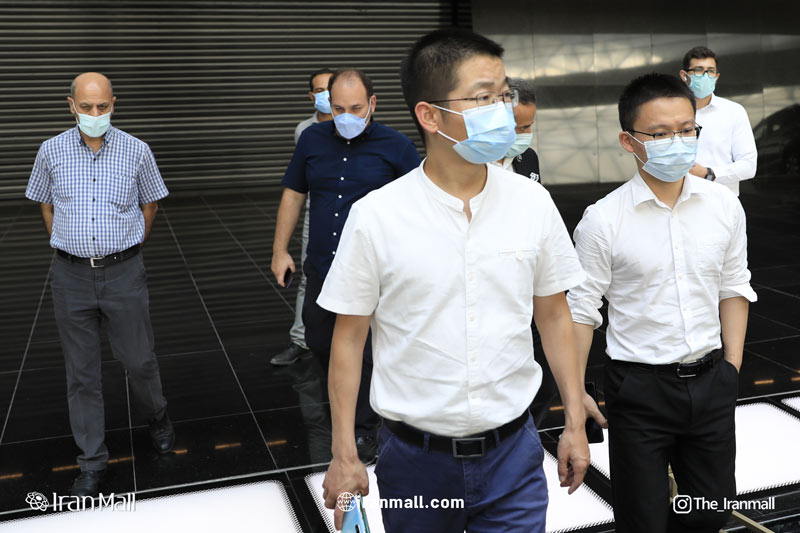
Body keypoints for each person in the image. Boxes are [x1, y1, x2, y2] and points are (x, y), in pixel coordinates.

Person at [320, 29, 590, 532]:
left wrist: (574, 420)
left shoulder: (532, 203)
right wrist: (343, 454)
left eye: (504, 95)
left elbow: (554, 315)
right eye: (483, 98)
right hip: (416, 462)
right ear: (430, 115)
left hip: (514, 455)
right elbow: (349, 339)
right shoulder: (377, 216)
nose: (502, 111)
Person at [568, 72, 757, 533]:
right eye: (660, 134)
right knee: (644, 520)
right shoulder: (603, 220)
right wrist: (575, 400)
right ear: (629, 141)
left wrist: (731, 368)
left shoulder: (724, 206)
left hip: (711, 381)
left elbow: (734, 286)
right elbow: (581, 312)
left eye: (687, 130)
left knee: (708, 515)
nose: (678, 142)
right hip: (639, 390)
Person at [25, 72, 175, 498]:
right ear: (71, 105)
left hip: (123, 272)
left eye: (103, 107)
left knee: (138, 359)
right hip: (70, 276)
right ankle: (91, 460)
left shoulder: (136, 150)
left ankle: (157, 415)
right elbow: (46, 204)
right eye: (87, 107)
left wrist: (127, 245)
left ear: (114, 104)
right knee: (81, 372)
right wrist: (70, 245)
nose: (95, 114)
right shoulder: (50, 150)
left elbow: (150, 204)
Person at [270, 68, 420, 463]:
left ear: (372, 103)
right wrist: (280, 250)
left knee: (365, 351)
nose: (347, 116)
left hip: (374, 271)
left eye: (355, 108)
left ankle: (364, 428)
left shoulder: (397, 146)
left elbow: (420, 207)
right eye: (338, 109)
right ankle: (347, 403)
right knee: (320, 340)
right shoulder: (311, 140)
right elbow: (293, 193)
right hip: (323, 265)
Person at [270, 67, 335, 366]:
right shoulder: (305, 131)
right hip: (317, 212)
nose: (326, 96)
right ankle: (300, 340)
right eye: (320, 91)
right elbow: (299, 183)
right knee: (310, 277)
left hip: (353, 214)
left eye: (330, 89)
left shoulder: (356, 125)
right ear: (311, 96)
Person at [679, 46, 757, 196]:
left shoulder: (734, 111)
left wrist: (709, 173)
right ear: (684, 75)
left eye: (710, 71)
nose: (705, 76)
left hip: (723, 199)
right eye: (698, 70)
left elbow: (748, 166)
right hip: (681, 199)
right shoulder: (672, 112)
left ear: (717, 76)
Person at [494, 77, 541, 182]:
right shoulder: (472, 164)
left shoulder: (528, 157)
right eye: (523, 128)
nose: (529, 134)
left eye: (530, 126)